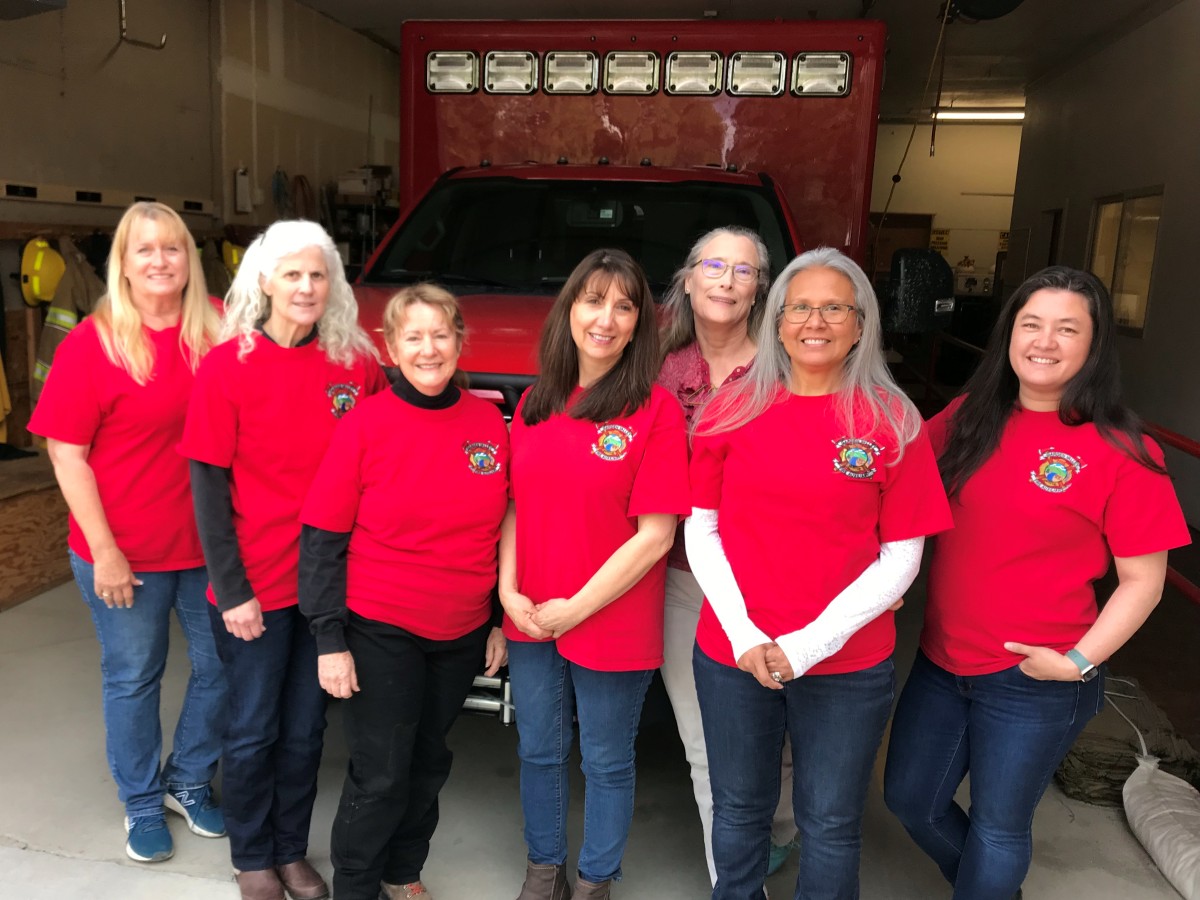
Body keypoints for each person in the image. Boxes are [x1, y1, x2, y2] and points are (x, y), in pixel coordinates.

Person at [883, 266, 1191, 900]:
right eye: (1031, 324)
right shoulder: (968, 418)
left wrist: (1077, 662)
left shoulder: (1121, 448)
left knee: (999, 828)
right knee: (911, 799)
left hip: (1036, 676)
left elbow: (1143, 581)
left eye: (1067, 328)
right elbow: (889, 470)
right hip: (943, 661)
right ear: (1010, 335)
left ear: (1094, 344)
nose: (1044, 342)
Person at [685, 246, 953, 899]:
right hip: (733, 654)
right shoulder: (731, 408)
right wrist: (748, 635)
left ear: (861, 325)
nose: (816, 320)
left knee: (830, 823)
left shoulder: (893, 423)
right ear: (776, 321)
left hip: (847, 666)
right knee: (740, 810)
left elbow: (902, 556)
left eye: (835, 307)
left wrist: (808, 645)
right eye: (800, 306)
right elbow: (701, 527)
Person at [181, 220, 387, 900]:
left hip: (326, 590)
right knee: (251, 730)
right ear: (263, 280)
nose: (305, 286)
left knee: (305, 731)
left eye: (318, 274)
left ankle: (291, 850)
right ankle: (252, 857)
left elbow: (397, 435)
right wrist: (231, 589)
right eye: (292, 273)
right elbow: (207, 487)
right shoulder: (228, 366)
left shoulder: (352, 363)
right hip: (254, 589)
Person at [298, 284, 510, 900]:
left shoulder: (487, 424)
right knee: (382, 772)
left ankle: (402, 870)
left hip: (462, 627)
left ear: (460, 341)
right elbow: (322, 536)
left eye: (440, 334)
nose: (428, 349)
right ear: (391, 347)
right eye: (413, 337)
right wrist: (329, 640)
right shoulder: (366, 423)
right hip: (380, 625)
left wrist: (498, 619)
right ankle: (356, 886)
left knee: (428, 760)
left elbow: (503, 527)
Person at [29, 201, 226, 863]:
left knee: (226, 667)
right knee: (135, 677)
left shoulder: (222, 328)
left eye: (172, 248)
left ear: (188, 260)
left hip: (208, 548)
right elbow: (66, 453)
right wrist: (107, 552)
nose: (160, 261)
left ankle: (188, 779)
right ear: (123, 262)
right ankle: (142, 804)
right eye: (145, 250)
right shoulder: (94, 342)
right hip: (125, 552)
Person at [500, 249, 690, 900]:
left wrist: (574, 608)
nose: (606, 317)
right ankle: (543, 869)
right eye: (593, 300)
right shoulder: (534, 403)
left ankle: (594, 880)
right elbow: (516, 506)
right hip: (529, 613)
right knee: (539, 752)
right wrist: (507, 591)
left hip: (611, 618)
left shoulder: (655, 410)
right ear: (569, 311)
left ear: (640, 324)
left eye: (624, 305)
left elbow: (656, 535)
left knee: (606, 759)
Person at [657, 226, 798, 882]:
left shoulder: (788, 369)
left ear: (759, 290)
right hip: (682, 579)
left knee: (778, 733)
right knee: (705, 744)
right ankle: (734, 882)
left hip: (774, 579)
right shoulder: (654, 363)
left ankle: (780, 830)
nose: (726, 279)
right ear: (688, 279)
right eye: (713, 264)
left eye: (744, 271)